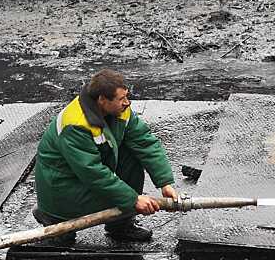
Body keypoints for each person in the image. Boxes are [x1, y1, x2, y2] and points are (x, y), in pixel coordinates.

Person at [33, 69, 177, 242]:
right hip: (62, 186)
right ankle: (53, 216)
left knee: (131, 155)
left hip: (83, 176)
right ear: (102, 99)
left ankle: (121, 225)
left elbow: (145, 142)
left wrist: (165, 182)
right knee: (61, 241)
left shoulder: (119, 110)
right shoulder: (75, 124)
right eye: (121, 99)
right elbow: (93, 172)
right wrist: (132, 199)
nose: (127, 103)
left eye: (126, 96)